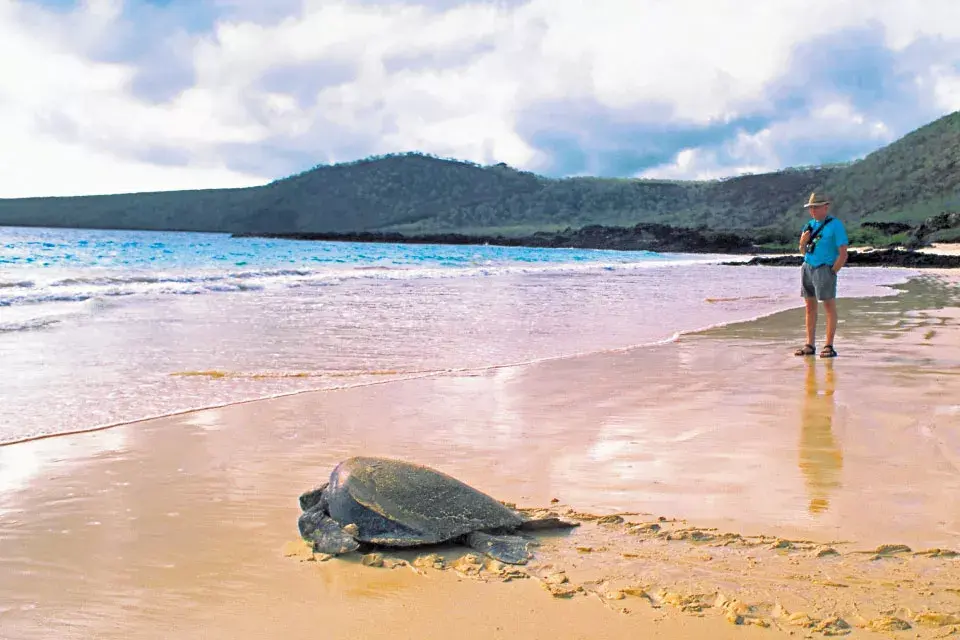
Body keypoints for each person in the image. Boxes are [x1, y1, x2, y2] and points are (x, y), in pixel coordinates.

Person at [794, 192, 848, 358]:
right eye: (811, 208)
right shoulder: (808, 225)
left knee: (829, 307)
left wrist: (832, 271)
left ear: (826, 207)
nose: (813, 211)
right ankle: (809, 344)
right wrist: (802, 242)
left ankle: (829, 346)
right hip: (807, 267)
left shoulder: (835, 225)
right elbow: (802, 251)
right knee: (810, 308)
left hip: (825, 268)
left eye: (816, 207)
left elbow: (843, 253)